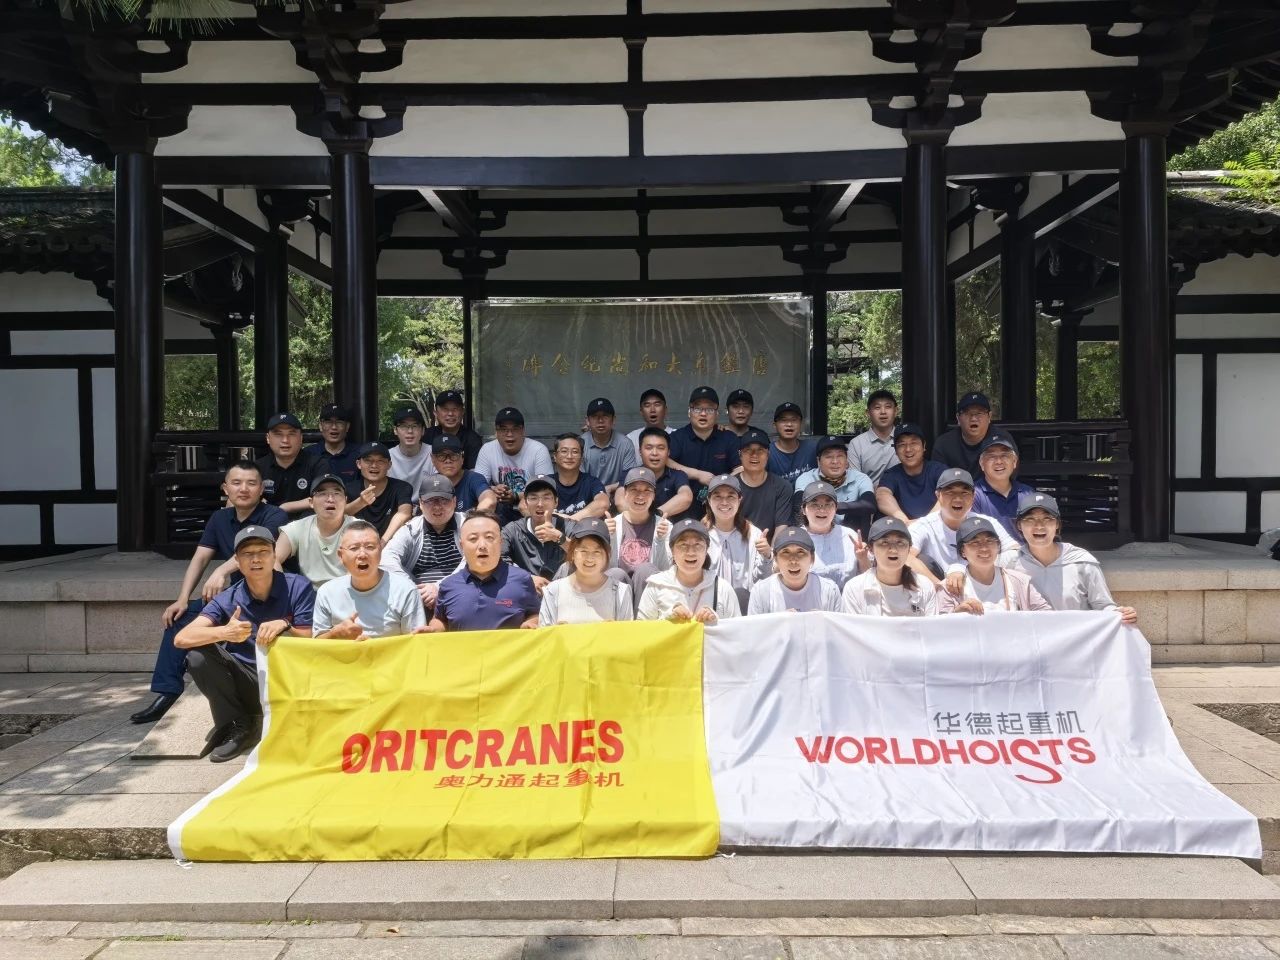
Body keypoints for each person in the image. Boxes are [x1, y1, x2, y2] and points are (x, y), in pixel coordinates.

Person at [131, 460, 289, 725]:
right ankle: (168, 692)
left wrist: (221, 571)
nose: (244, 488)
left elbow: (256, 551)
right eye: (236, 483)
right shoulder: (219, 518)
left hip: (267, 597)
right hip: (235, 597)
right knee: (180, 617)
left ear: (262, 488)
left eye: (251, 483)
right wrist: (182, 598)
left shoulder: (275, 516)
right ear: (225, 488)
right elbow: (201, 557)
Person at [174, 526, 315, 762]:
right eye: (248, 554)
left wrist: (284, 625)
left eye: (263, 551)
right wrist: (224, 632)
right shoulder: (228, 598)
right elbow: (182, 638)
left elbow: (309, 637)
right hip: (248, 678)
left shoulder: (297, 586)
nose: (256, 559)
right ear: (237, 562)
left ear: (274, 556)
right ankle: (238, 725)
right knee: (197, 656)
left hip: (289, 678)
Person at [1011, 493, 1138, 623]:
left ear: (1057, 524)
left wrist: (1121, 613)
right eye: (1030, 519)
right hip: (1033, 635)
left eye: (1047, 518)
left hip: (1076, 635)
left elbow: (1103, 606)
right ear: (1019, 525)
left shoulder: (1082, 562)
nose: (1039, 526)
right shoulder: (1012, 564)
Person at [426, 511, 541, 631]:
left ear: (500, 542)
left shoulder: (522, 579)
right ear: (462, 545)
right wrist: (433, 629)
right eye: (473, 539)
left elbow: (534, 613)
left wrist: (530, 623)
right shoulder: (448, 585)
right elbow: (440, 619)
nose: (482, 545)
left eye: (489, 537)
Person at [312, 521, 426, 638]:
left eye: (370, 547)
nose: (362, 555)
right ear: (341, 555)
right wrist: (335, 634)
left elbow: (416, 641)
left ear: (380, 551)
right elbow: (316, 644)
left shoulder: (405, 590)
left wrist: (371, 646)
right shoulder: (326, 592)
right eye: (354, 548)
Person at [909, 468, 1019, 584]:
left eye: (964, 493)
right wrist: (940, 587)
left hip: (980, 584)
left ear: (973, 496)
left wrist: (970, 566)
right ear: (938, 495)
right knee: (922, 560)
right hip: (939, 585)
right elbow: (906, 557)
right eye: (950, 492)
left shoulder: (987, 522)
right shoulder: (925, 525)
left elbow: (1014, 551)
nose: (958, 499)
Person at [381, 474, 462, 616]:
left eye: (444, 500)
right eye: (430, 501)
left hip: (458, 591)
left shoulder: (467, 524)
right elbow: (386, 559)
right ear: (420, 503)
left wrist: (439, 587)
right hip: (418, 596)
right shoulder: (411, 529)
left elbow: (474, 562)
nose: (437, 507)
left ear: (454, 501)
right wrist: (414, 590)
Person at [937, 516, 1052, 615]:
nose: (984, 548)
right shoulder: (949, 588)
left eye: (990, 541)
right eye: (975, 542)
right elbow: (940, 627)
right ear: (962, 551)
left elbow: (1047, 617)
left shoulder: (1019, 582)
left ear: (998, 546)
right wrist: (957, 614)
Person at [636, 519, 741, 622]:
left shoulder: (722, 588)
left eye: (698, 545)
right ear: (672, 550)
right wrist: (668, 618)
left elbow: (737, 630)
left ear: (706, 550)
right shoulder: (656, 586)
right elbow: (641, 630)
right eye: (683, 545)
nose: (691, 552)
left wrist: (714, 622)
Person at [539, 518, 634, 625]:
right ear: (573, 553)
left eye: (597, 552)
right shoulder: (553, 591)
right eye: (583, 551)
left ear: (607, 555)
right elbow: (546, 633)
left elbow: (626, 634)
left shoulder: (620, 592)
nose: (589, 558)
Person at [667, 386, 741, 520]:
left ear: (717, 414)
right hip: (683, 511)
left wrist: (720, 484)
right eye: (697, 408)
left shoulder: (729, 438)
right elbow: (665, 461)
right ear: (689, 412)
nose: (703, 413)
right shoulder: (677, 438)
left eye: (709, 409)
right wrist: (697, 474)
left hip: (721, 509)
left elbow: (740, 468)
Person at [842, 517, 939, 617]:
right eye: (884, 542)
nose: (893, 550)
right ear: (871, 549)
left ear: (909, 549)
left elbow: (932, 626)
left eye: (900, 543)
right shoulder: (854, 589)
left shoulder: (925, 586)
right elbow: (851, 627)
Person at [474, 407, 554, 523]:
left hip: (529, 507)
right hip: (499, 509)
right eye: (503, 429)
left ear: (523, 431)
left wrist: (516, 496)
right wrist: (494, 489)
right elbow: (477, 484)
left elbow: (546, 489)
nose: (509, 434)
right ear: (496, 432)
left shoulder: (538, 450)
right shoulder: (487, 449)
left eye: (515, 429)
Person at [703, 474, 770, 613]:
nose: (724, 502)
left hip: (745, 607)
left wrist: (767, 557)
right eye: (717, 496)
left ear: (740, 500)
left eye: (731, 496)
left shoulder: (753, 534)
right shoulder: (700, 534)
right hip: (708, 607)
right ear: (709, 500)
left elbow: (762, 581)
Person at [274, 473, 354, 587]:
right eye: (322, 493)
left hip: (347, 590)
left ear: (345, 500)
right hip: (309, 593)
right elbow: (272, 559)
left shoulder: (360, 528)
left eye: (336, 493)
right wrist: (285, 591)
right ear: (311, 502)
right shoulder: (297, 527)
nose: (330, 499)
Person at [608, 467, 673, 604]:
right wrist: (611, 538)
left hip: (650, 597)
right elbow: (605, 570)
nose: (640, 496)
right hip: (618, 593)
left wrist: (660, 541)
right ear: (625, 493)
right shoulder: (612, 525)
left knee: (645, 570)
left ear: (654, 495)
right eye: (634, 490)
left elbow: (666, 571)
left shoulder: (664, 526)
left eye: (647, 490)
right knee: (616, 573)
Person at [747, 526, 843, 614]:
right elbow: (754, 627)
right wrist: (779, 621)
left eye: (800, 552)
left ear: (812, 558)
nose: (793, 560)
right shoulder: (761, 592)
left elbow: (839, 626)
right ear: (776, 559)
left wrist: (822, 621)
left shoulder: (830, 591)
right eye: (786, 552)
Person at [793, 436, 876, 533]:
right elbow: (798, 506)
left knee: (861, 512)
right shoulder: (806, 478)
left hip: (850, 530)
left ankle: (859, 542)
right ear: (818, 461)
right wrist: (823, 509)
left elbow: (870, 505)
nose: (835, 461)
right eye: (828, 457)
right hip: (817, 529)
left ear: (846, 460)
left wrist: (832, 507)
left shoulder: (860, 478)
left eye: (840, 456)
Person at [502, 474, 568, 590]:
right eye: (533, 498)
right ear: (525, 503)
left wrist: (559, 537)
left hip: (563, 592)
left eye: (546, 498)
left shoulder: (568, 526)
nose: (540, 504)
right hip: (525, 591)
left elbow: (587, 553)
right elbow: (497, 559)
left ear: (556, 502)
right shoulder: (512, 530)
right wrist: (526, 578)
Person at [799, 480, 868, 589]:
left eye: (828, 505)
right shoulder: (796, 539)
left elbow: (868, 578)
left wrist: (863, 558)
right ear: (803, 509)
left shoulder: (850, 536)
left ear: (835, 508)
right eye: (815, 505)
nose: (822, 510)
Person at [876, 423, 946, 524]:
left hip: (935, 526)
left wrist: (924, 524)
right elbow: (882, 495)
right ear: (896, 451)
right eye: (902, 444)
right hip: (903, 529)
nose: (908, 449)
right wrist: (905, 521)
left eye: (914, 443)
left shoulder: (938, 470)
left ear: (924, 446)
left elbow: (950, 495)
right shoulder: (891, 474)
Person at [345, 441, 414, 542]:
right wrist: (360, 502)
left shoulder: (402, 487)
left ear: (389, 465)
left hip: (392, 544)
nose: (374, 465)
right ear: (359, 464)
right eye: (368, 460)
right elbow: (338, 516)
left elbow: (404, 514)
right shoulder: (349, 488)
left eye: (380, 461)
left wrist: (383, 543)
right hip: (357, 543)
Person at [256, 412, 323, 514]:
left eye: (291, 434)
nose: (285, 440)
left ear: (301, 438)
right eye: (278, 434)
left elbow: (324, 495)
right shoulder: (257, 467)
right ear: (268, 438)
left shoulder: (317, 464)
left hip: (307, 521)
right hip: (268, 521)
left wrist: (285, 508)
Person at [971, 432, 1034, 539]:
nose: (999, 461)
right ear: (982, 464)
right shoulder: (973, 494)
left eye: (1005, 455)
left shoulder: (1028, 493)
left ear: (1014, 462)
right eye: (991, 456)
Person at [736, 428, 796, 535]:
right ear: (740, 454)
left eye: (760, 450)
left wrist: (770, 547)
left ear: (768, 454)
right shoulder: (730, 486)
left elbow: (781, 527)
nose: (754, 455)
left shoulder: (782, 487)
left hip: (770, 543)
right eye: (748, 450)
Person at [626, 427, 694, 519]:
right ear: (640, 451)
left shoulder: (678, 475)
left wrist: (654, 517)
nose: (654, 453)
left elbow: (686, 497)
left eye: (661, 448)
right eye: (649, 448)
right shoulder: (629, 474)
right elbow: (619, 501)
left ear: (668, 452)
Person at [581, 397, 639, 492]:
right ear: (587, 421)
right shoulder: (580, 443)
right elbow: (579, 479)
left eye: (605, 416)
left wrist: (609, 489)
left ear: (613, 420)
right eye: (595, 416)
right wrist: (599, 493)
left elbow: (630, 477)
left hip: (618, 492)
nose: (600, 420)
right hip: (588, 493)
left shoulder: (625, 443)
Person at [846, 389, 900, 486]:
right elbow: (854, 481)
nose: (883, 412)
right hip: (868, 494)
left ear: (896, 411)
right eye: (877, 407)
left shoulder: (905, 440)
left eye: (888, 407)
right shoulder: (857, 444)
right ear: (868, 413)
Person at [933, 391, 995, 475]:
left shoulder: (1002, 440)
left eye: (979, 413)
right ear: (958, 418)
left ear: (989, 417)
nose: (973, 418)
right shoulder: (943, 444)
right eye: (967, 413)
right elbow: (939, 477)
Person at [430, 434, 495, 513]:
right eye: (441, 456)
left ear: (462, 457)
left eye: (453, 455)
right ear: (433, 459)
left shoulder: (473, 479)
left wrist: (476, 518)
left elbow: (489, 499)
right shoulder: (430, 483)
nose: (448, 460)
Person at [551, 433, 609, 521]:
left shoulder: (591, 482)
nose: (569, 456)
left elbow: (603, 503)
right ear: (555, 456)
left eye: (575, 452)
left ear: (582, 457)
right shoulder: (546, 482)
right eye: (564, 451)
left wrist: (569, 521)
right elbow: (528, 507)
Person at [423, 389, 483, 471]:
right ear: (435, 413)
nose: (450, 414)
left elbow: (474, 473)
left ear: (462, 411)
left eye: (455, 409)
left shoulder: (472, 439)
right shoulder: (427, 436)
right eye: (445, 409)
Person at [304, 403, 358, 487]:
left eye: (339, 422)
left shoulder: (358, 454)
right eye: (328, 422)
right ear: (320, 426)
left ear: (347, 427)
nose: (334, 427)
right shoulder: (308, 454)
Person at [767, 402, 818, 484]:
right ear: (774, 425)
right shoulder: (767, 452)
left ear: (801, 424)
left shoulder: (812, 448)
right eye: (783, 420)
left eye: (794, 420)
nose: (789, 424)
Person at [388, 405, 431, 498]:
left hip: (427, 504)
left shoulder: (433, 453)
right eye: (404, 426)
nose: (410, 431)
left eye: (415, 426)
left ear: (423, 430)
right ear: (395, 430)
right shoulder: (387, 456)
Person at [626, 388, 675, 455]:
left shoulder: (677, 436)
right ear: (641, 412)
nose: (652, 410)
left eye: (657, 404)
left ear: (665, 410)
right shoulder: (631, 439)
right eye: (647, 405)